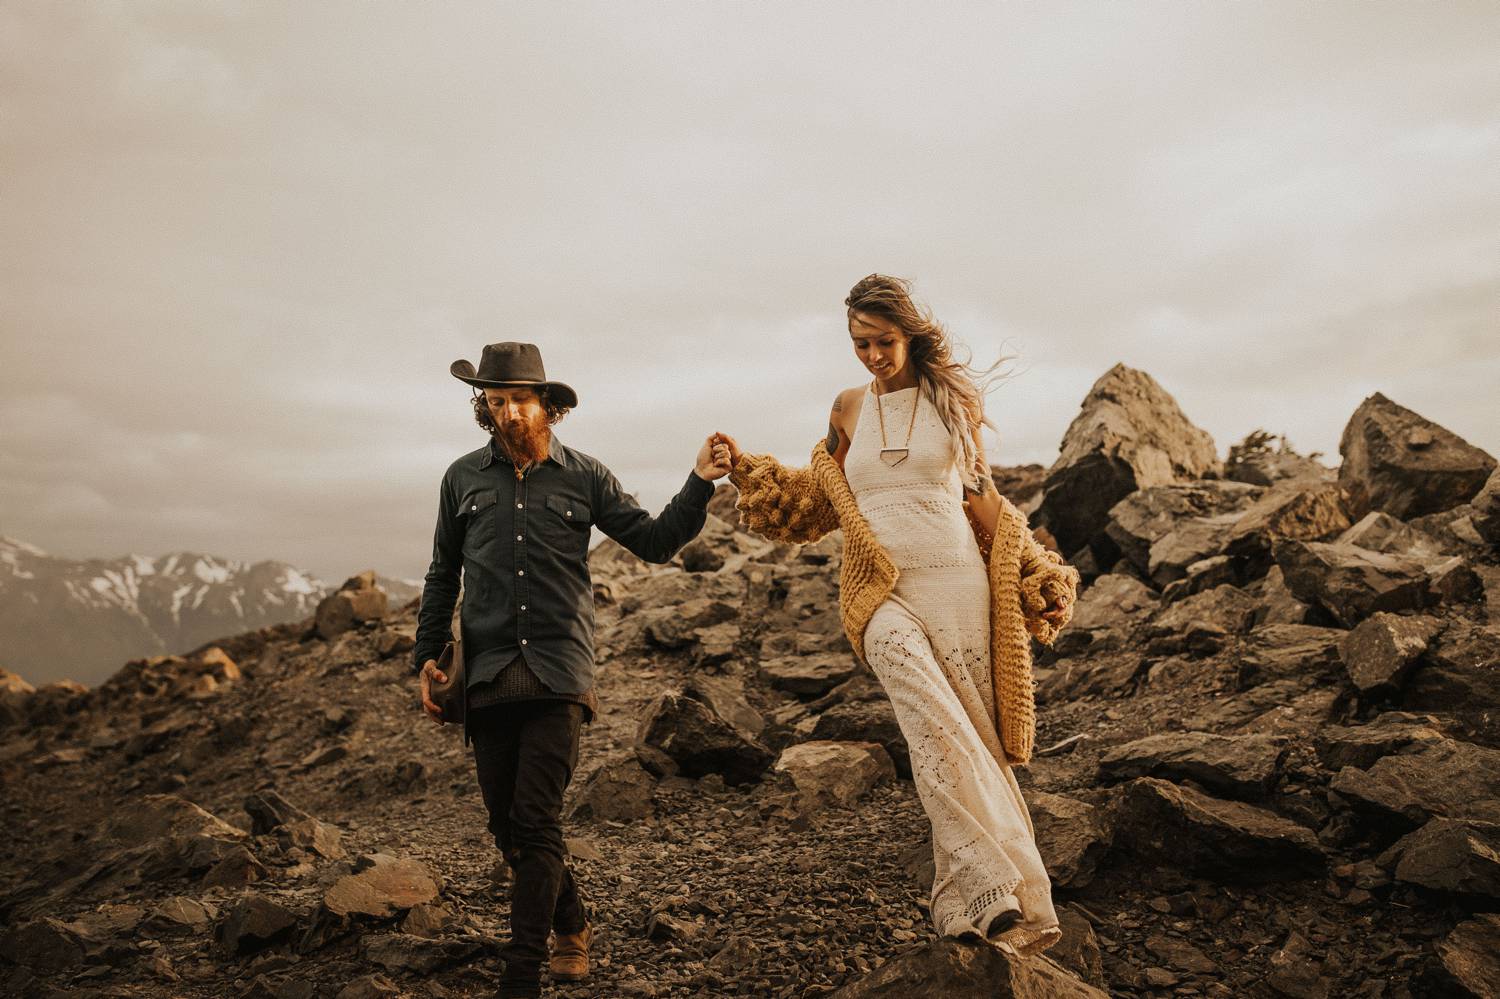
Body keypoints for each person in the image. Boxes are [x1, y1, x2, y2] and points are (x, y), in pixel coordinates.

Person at [712, 275, 1078, 955]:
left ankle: (977, 902)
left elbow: (984, 500)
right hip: (881, 594)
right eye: (860, 343)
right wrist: (744, 469)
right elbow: (814, 494)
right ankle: (993, 882)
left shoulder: (952, 404)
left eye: (883, 341)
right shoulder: (847, 408)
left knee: (961, 738)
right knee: (927, 713)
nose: (873, 355)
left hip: (960, 587)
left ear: (910, 334)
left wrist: (1036, 569)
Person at [413, 341, 732, 998]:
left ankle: (522, 973)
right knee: (507, 825)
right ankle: (573, 918)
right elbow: (443, 571)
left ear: (547, 405)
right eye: (495, 401)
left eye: (519, 400)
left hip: (561, 668)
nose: (507, 413)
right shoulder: (461, 478)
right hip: (487, 672)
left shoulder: (584, 476)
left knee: (535, 817)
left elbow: (653, 540)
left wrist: (699, 481)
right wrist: (425, 653)